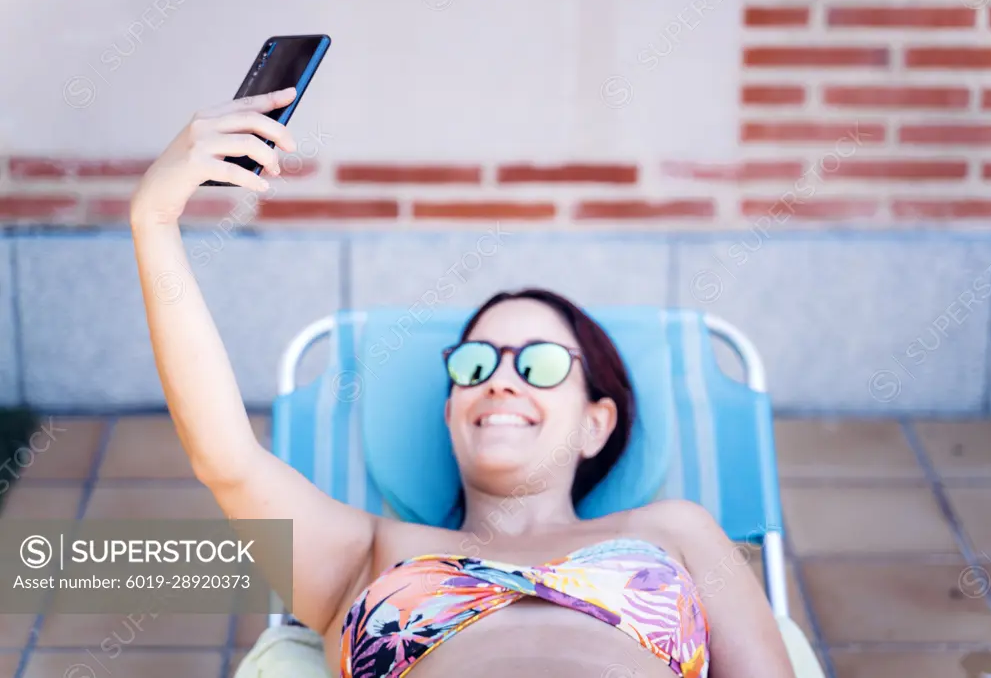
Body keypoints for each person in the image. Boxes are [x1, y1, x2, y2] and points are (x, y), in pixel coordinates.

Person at [129, 88, 797, 678]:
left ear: (596, 420)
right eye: (475, 364)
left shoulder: (672, 531)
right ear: (452, 410)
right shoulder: (367, 553)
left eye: (537, 364)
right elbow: (225, 457)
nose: (501, 381)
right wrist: (153, 221)